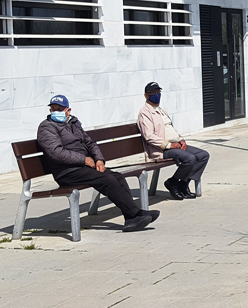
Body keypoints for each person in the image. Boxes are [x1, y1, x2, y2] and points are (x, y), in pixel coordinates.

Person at [36, 94, 159, 232]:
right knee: (106, 179)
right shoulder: (46, 127)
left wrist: (99, 159)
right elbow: (56, 153)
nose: (56, 112)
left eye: (60, 109)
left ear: (68, 111)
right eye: (53, 109)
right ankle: (135, 214)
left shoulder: (74, 123)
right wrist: (83, 159)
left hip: (83, 167)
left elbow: (90, 143)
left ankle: (132, 217)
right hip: (66, 171)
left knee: (117, 177)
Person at [137, 82, 209, 201]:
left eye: (158, 92)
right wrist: (169, 145)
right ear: (146, 96)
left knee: (202, 156)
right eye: (153, 93)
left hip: (175, 145)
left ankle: (183, 184)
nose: (156, 95)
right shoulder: (145, 113)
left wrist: (181, 140)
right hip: (161, 149)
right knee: (190, 158)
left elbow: (171, 128)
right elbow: (149, 136)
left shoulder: (161, 110)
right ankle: (173, 182)